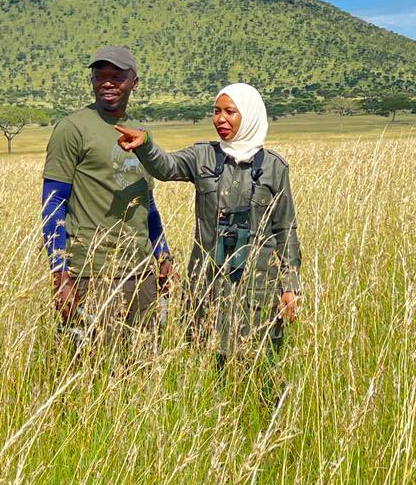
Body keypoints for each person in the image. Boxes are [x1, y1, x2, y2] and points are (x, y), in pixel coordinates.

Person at [115, 83, 301, 362]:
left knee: (260, 363)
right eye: (216, 111)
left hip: (257, 286)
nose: (220, 119)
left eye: (230, 112)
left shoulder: (274, 167)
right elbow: (166, 167)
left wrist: (290, 286)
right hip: (208, 282)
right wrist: (146, 145)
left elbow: (285, 228)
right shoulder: (202, 156)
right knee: (206, 359)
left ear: (249, 115)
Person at [41, 46, 173, 343]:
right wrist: (60, 272)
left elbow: (147, 203)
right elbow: (53, 203)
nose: (107, 83)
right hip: (92, 271)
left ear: (134, 82)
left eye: (117, 76)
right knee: (92, 372)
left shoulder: (138, 132)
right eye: (100, 76)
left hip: (140, 271)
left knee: (143, 366)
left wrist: (162, 255)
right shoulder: (73, 128)